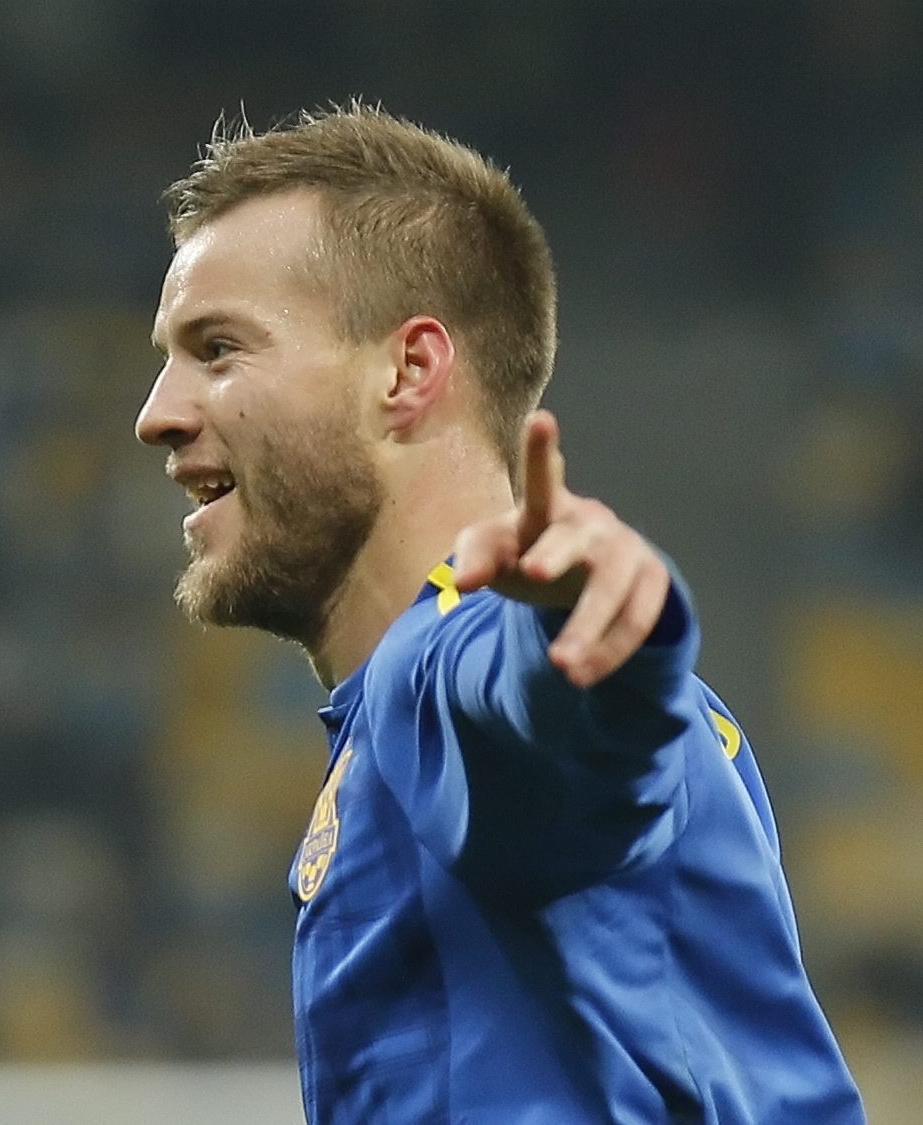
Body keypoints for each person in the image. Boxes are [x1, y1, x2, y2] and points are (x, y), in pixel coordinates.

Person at [135, 103, 864, 1123]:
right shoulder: (391, 733)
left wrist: (574, 642)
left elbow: (538, 730)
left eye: (217, 349)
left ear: (408, 371)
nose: (155, 414)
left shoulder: (449, 663)